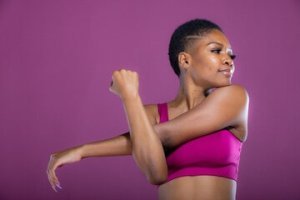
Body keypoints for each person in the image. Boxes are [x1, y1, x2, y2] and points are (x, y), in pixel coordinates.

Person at [47, 19, 249, 200]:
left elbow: (162, 136)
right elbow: (156, 174)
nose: (228, 60)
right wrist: (132, 102)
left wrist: (130, 97)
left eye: (231, 55)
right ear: (185, 60)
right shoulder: (150, 115)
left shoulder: (234, 98)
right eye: (216, 50)